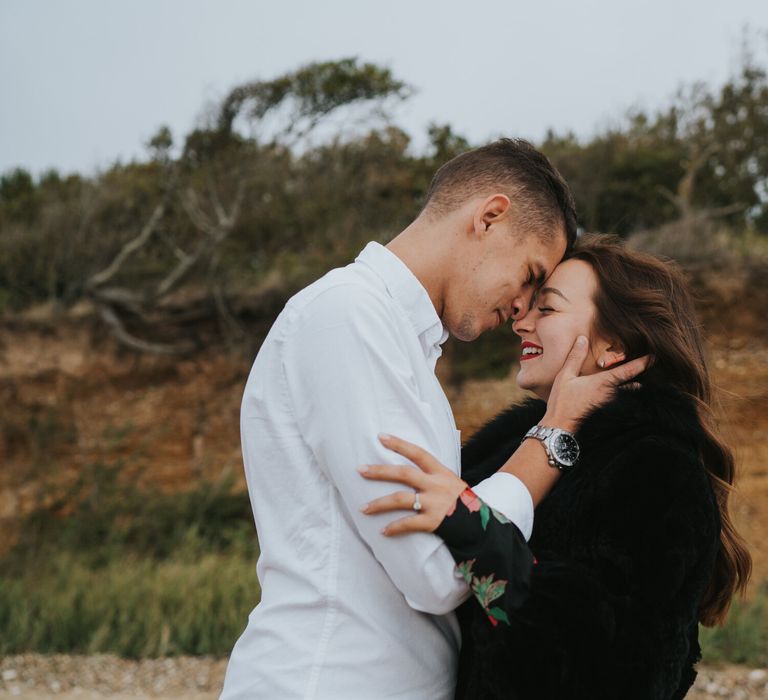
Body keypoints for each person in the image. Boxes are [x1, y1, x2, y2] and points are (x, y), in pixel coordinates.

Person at [219, 140, 645, 699]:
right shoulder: (347, 317)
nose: (522, 307)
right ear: (491, 217)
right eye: (529, 274)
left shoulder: (399, 343)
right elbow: (437, 569)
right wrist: (555, 431)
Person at [360, 234, 752, 699]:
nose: (519, 321)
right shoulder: (506, 453)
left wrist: (476, 532)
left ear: (614, 346)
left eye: (547, 309)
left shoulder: (658, 467)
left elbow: (612, 662)